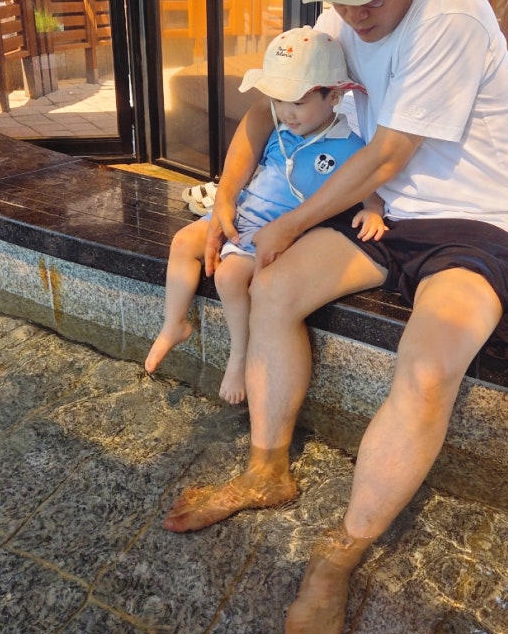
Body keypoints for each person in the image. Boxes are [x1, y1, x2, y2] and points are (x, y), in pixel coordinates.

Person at [163, 0, 508, 634]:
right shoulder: (339, 8)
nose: (355, 11)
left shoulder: (451, 12)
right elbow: (275, 103)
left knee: (427, 366)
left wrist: (286, 223)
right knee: (271, 286)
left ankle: (336, 557)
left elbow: (388, 151)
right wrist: (228, 197)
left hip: (480, 222)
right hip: (382, 212)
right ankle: (267, 469)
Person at [145, 25, 386, 403]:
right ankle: (173, 324)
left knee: (229, 277)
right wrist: (227, 202)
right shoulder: (280, 130)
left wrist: (373, 210)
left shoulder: (348, 146)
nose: (286, 112)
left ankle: (239, 357)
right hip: (243, 215)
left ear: (335, 96)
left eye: (298, 102)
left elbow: (368, 183)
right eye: (278, 100)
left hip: (272, 234)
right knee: (182, 242)